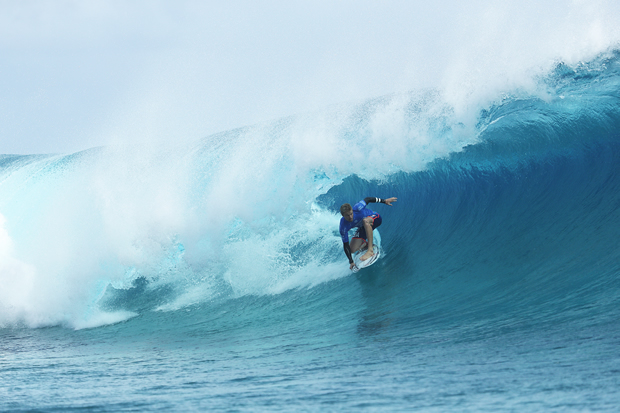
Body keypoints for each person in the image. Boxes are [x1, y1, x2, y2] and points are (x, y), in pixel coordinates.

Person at [339, 196, 397, 270]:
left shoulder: (357, 208)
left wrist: (384, 201)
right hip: (363, 227)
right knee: (352, 250)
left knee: (365, 221)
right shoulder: (343, 226)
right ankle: (365, 244)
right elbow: (345, 245)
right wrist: (351, 262)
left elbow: (368, 199)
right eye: (347, 215)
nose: (350, 217)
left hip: (375, 218)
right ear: (343, 215)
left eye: (351, 214)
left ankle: (370, 250)